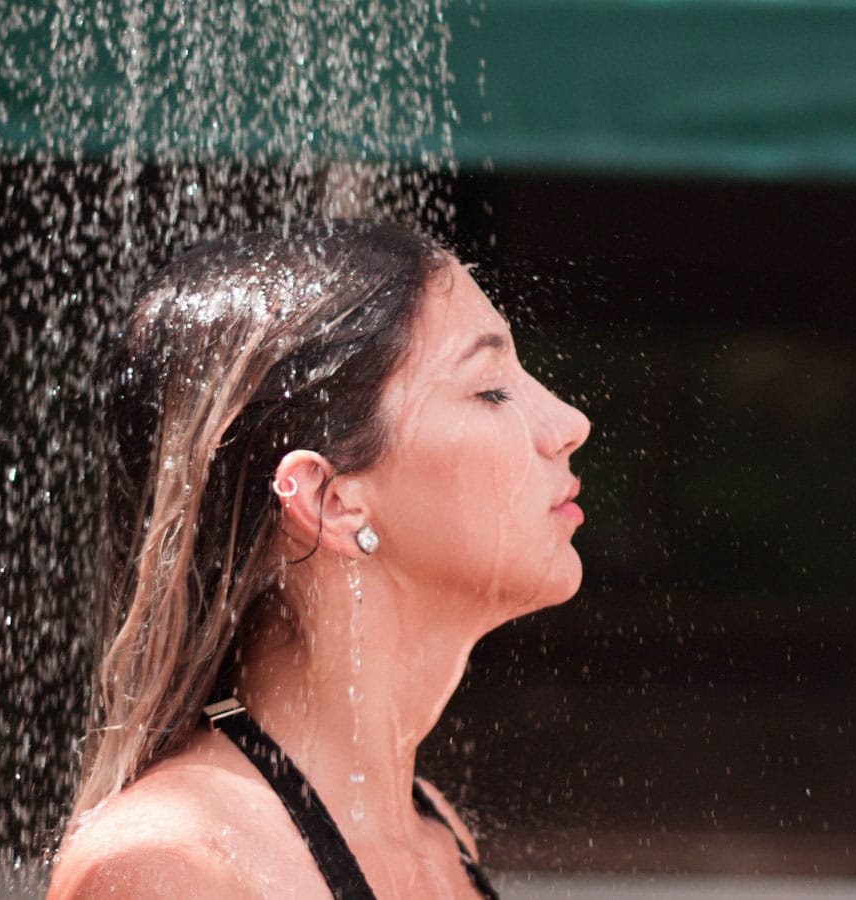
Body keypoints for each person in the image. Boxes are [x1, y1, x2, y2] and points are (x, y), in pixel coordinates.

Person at [46, 220, 590, 899]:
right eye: (490, 390)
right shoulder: (175, 869)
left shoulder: (435, 833)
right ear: (332, 500)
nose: (570, 422)